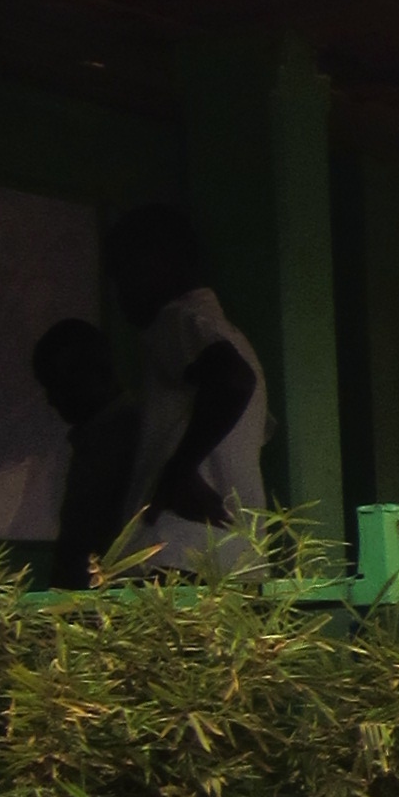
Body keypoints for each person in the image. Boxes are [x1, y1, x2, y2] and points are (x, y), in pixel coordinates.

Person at [108, 204, 268, 570]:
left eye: (123, 271)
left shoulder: (177, 320)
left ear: (157, 261)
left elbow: (232, 378)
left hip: (174, 556)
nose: (119, 293)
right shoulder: (233, 337)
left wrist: (177, 472)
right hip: (233, 561)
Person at [32, 317, 142, 588]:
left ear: (101, 372)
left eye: (63, 383)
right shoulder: (99, 434)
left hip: (109, 595)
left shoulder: (124, 434)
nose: (53, 399)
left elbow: (88, 533)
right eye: (49, 386)